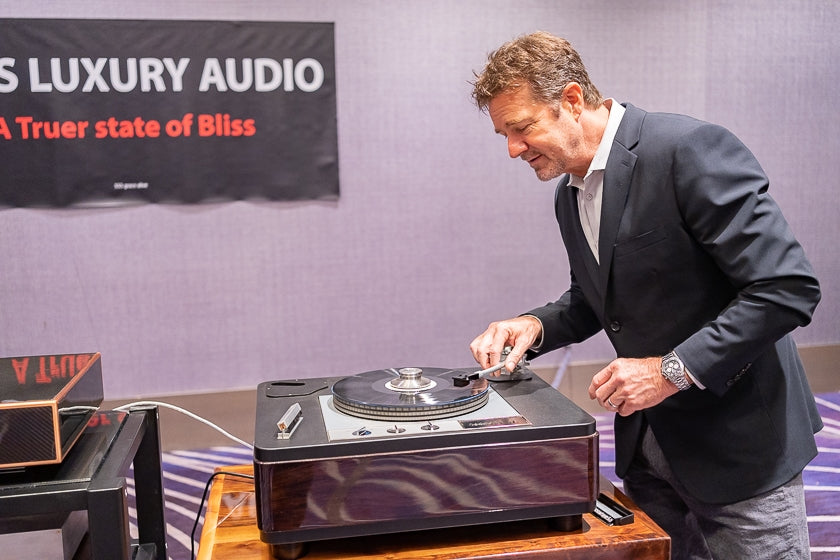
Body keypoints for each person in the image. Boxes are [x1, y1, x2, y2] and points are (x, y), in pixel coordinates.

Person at [468, 31, 822, 559]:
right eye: (504, 134)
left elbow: (786, 287)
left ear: (570, 100)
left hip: (739, 447)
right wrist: (535, 324)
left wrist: (669, 371)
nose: (512, 149)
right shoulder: (570, 191)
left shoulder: (687, 149)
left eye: (521, 129)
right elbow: (598, 298)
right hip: (648, 450)